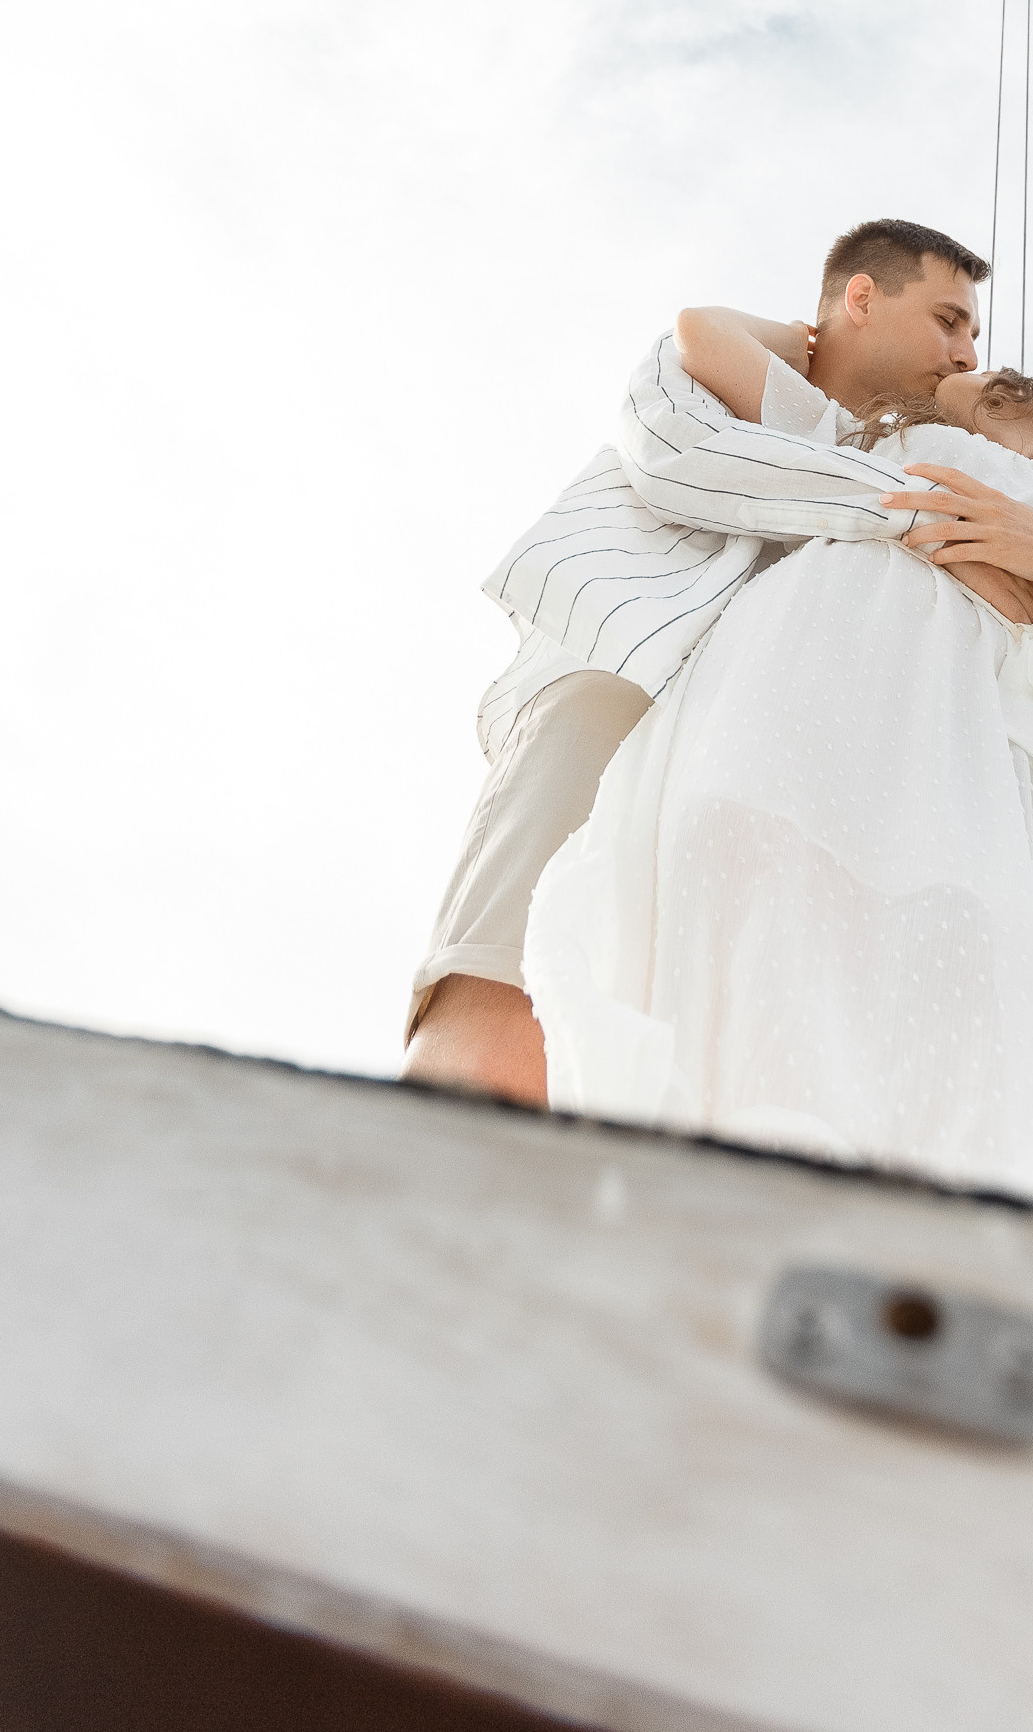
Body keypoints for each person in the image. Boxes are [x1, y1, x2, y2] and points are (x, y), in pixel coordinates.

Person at [520, 314, 1033, 1218]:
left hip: (956, 795)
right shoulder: (855, 444)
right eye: (953, 331)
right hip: (779, 720)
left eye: (979, 356)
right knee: (745, 964)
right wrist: (823, 326)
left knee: (934, 1041)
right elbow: (703, 337)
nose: (963, 356)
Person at [405, 220, 990, 1103]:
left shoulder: (906, 460)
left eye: (973, 333)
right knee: (502, 1013)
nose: (965, 350)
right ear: (862, 299)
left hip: (759, 760)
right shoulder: (713, 385)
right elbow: (684, 449)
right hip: (617, 692)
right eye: (950, 319)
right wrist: (921, 516)